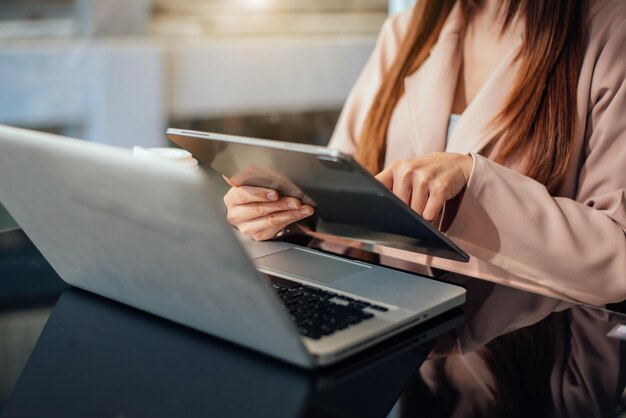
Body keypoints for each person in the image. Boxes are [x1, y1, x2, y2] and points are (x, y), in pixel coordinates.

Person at [223, 0, 626, 306]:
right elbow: (338, 192)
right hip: (401, 331)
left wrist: (472, 181)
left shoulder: (611, 31)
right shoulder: (405, 32)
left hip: (536, 348)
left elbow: (617, 261)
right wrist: (282, 216)